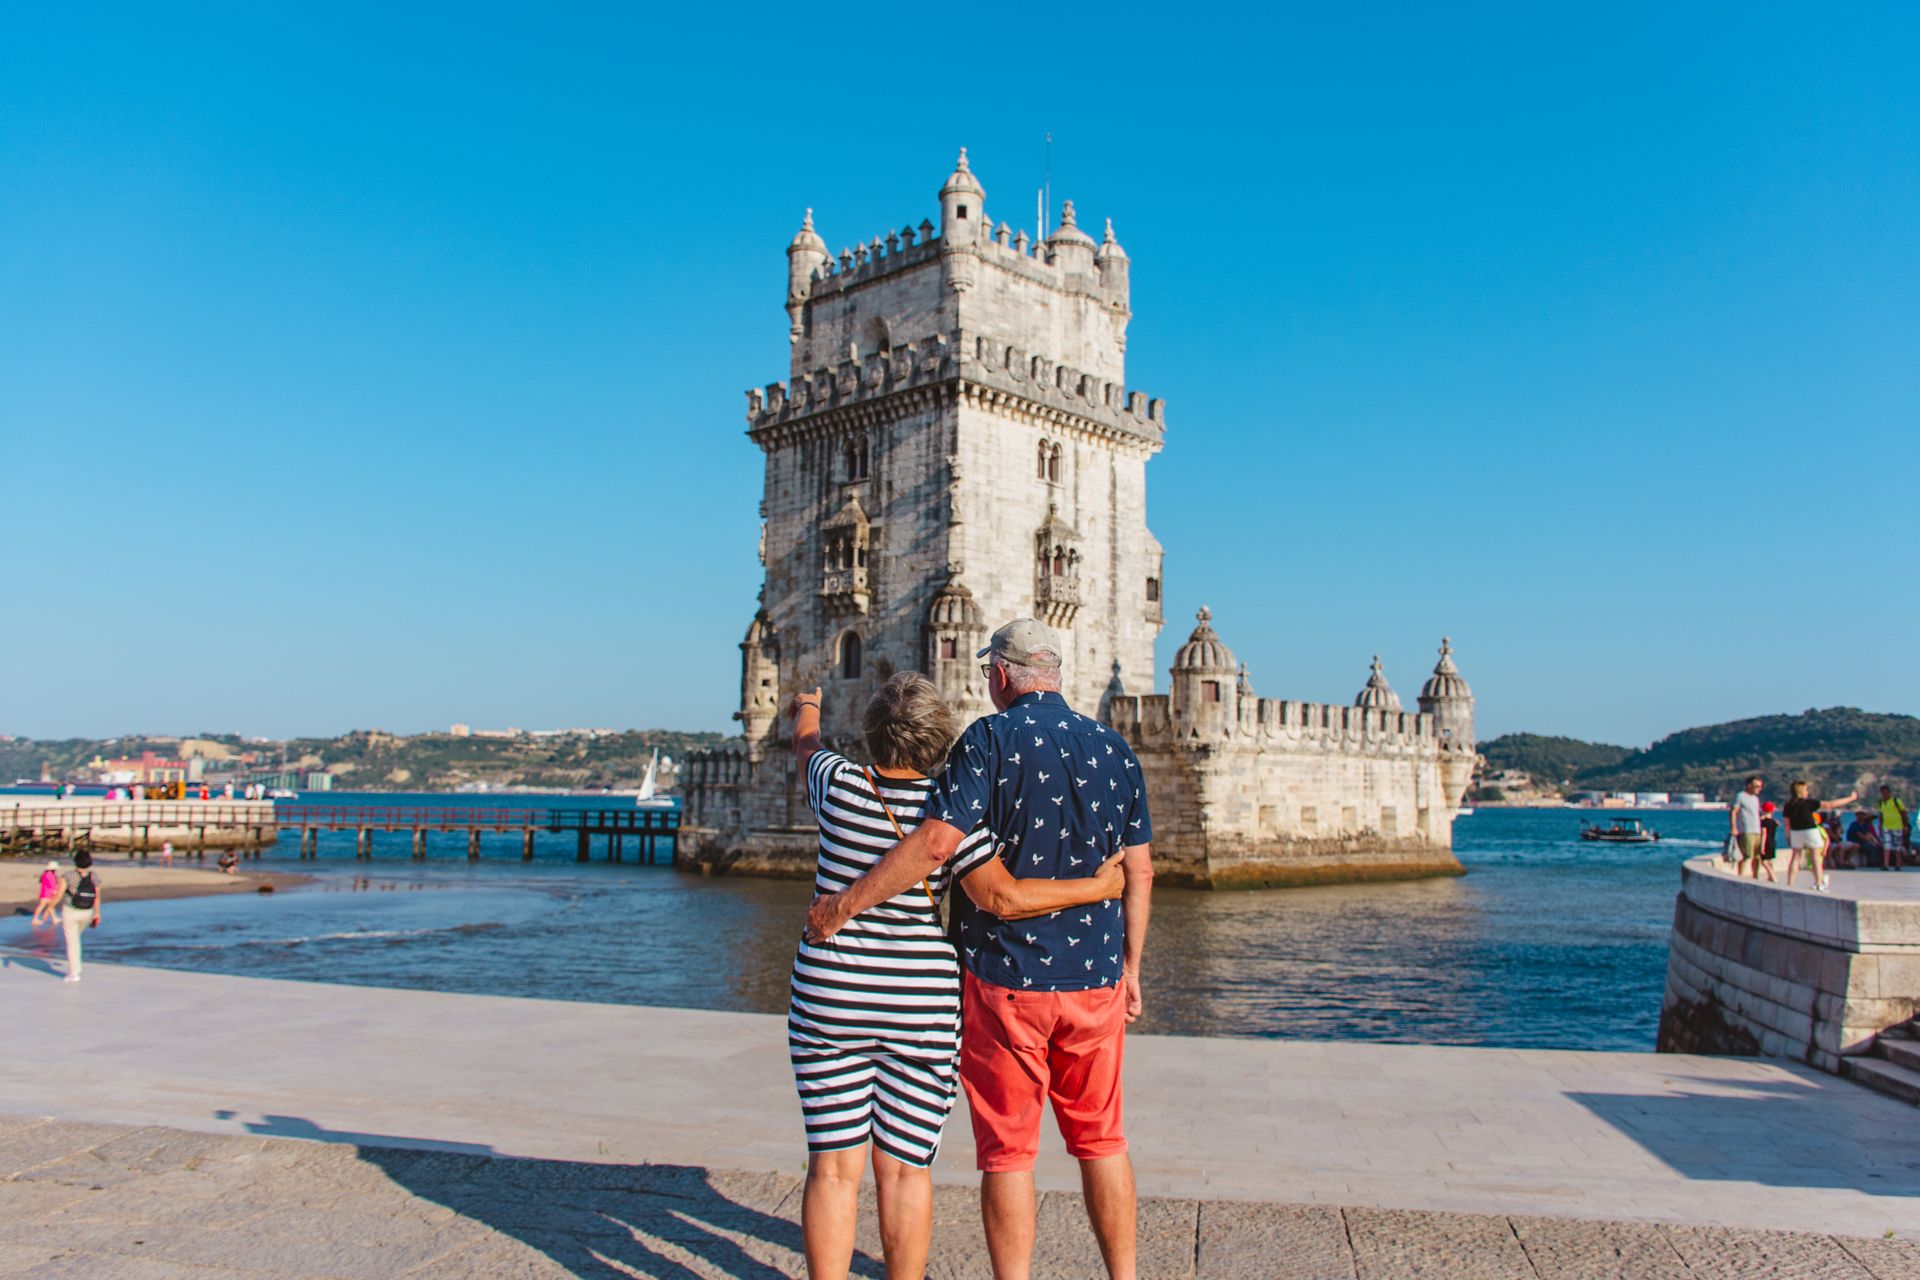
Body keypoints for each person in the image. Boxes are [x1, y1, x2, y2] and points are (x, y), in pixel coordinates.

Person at [809, 619, 1154, 1280]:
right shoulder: (1116, 748)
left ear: (1000, 675)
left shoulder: (988, 741)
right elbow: (1138, 872)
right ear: (1057, 672)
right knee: (1103, 1141)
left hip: (1007, 982)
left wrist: (845, 904)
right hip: (1097, 979)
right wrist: (1132, 968)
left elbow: (939, 845)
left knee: (1009, 1154)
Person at [1784, 780, 1857, 892]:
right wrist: (1851, 798)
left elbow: (1787, 824)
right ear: (1802, 791)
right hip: (1810, 831)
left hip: (1795, 832)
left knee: (1795, 858)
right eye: (1806, 790)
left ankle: (1789, 884)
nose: (1807, 792)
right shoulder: (1808, 803)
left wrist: (1788, 837)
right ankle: (1819, 883)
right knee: (1815, 858)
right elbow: (1831, 804)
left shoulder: (1788, 806)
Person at [58, 851, 102, 982]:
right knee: (75, 939)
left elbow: (59, 894)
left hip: (71, 910)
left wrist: (49, 906)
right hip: (87, 912)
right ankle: (76, 967)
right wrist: (97, 913)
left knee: (72, 942)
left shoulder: (68, 876)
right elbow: (97, 897)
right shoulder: (94, 876)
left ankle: (74, 972)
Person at [1729, 776, 1765, 877]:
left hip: (1757, 831)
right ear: (1749, 786)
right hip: (1746, 831)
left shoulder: (1755, 799)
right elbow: (1733, 812)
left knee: (1757, 856)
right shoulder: (1740, 796)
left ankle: (1755, 877)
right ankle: (1740, 877)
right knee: (1746, 856)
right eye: (1757, 786)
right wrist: (1734, 827)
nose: (1759, 789)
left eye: (1760, 786)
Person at [1879, 786, 1911, 866]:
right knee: (1887, 845)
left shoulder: (1896, 801)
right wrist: (1880, 825)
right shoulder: (1881, 803)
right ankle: (1886, 864)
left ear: (1889, 792)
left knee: (1897, 846)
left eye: (1885, 792)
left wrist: (1905, 825)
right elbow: (1881, 814)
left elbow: (1903, 813)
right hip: (1886, 826)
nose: (1884, 794)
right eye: (1882, 793)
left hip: (1897, 826)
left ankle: (1898, 863)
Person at [31, 861, 61, 927]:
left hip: (46, 892)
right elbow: (51, 884)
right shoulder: (49, 875)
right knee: (43, 906)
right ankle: (34, 919)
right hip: (47, 893)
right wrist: (54, 890)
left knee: (50, 906)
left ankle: (54, 918)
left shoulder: (47, 874)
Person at [1756, 802, 1780, 882]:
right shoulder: (1774, 822)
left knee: (1764, 861)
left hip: (1766, 843)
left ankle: (1773, 876)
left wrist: (1762, 846)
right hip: (1773, 842)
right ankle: (1770, 876)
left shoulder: (1764, 822)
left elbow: (1764, 834)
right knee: (1769, 860)